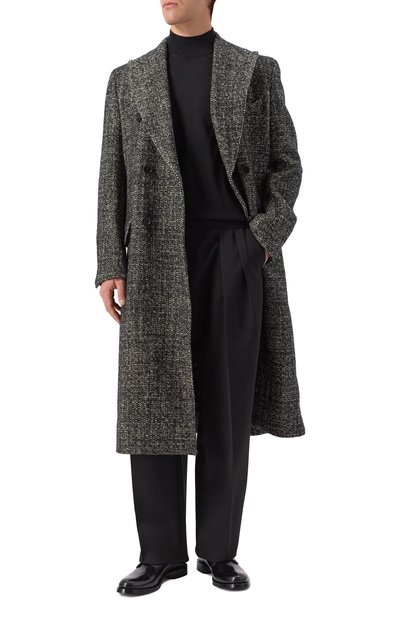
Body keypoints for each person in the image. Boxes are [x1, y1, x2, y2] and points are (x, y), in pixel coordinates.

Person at [95, 0, 305, 596]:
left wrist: (260, 239)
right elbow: (111, 177)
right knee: (153, 402)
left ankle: (220, 551)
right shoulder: (127, 79)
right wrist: (110, 263)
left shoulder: (255, 70)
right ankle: (159, 555)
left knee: (226, 403)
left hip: (232, 250)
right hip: (154, 253)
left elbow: (286, 165)